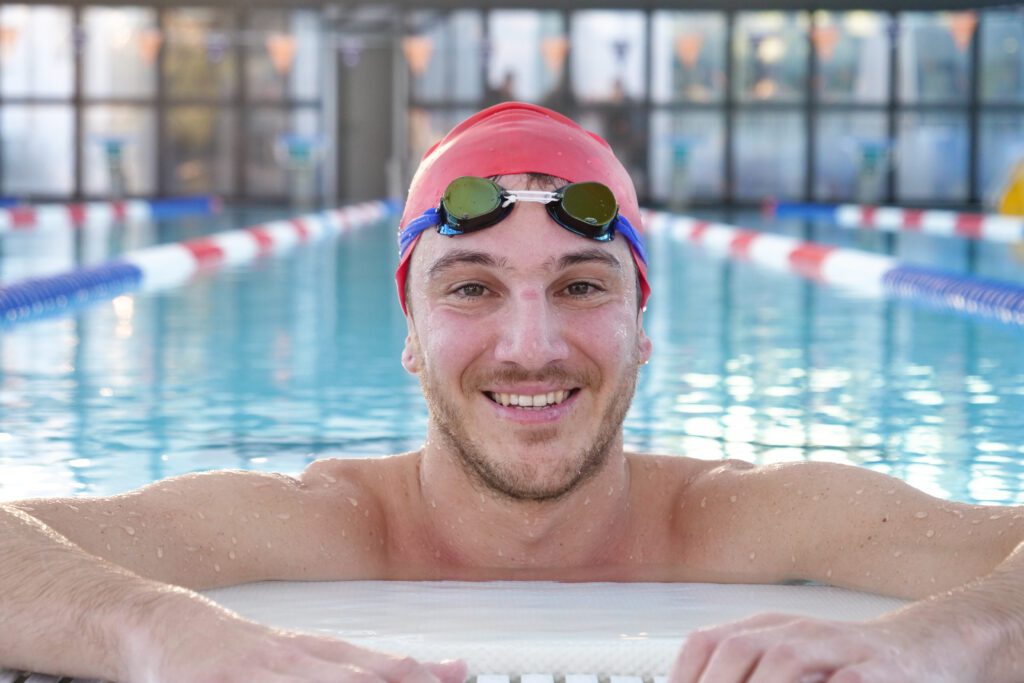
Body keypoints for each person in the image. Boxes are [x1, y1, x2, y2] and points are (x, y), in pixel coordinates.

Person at [2, 101, 1024, 683]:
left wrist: (949, 634)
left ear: (643, 328)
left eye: (580, 286)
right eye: (473, 288)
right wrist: (151, 626)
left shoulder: (758, 516)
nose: (529, 345)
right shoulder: (318, 524)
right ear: (409, 334)